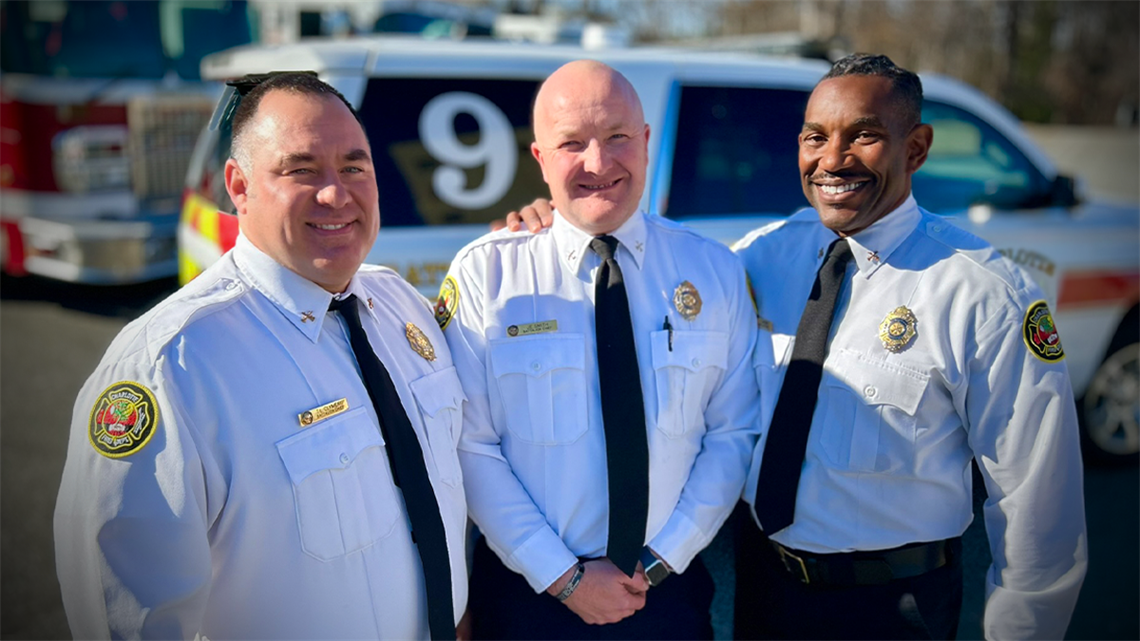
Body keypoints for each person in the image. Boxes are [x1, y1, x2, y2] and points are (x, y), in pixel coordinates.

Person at [505, 53, 1087, 641]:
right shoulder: (759, 258)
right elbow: (648, 292)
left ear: (915, 148)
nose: (833, 160)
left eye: (864, 136)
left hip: (892, 607)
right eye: (816, 137)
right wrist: (556, 227)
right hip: (764, 591)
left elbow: (1039, 508)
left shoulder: (982, 295)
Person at [54, 73, 469, 641]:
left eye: (354, 167)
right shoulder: (170, 366)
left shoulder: (399, 305)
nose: (336, 194)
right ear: (239, 186)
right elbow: (128, 618)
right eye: (301, 170)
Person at [438, 60, 761, 640]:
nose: (597, 163)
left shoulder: (712, 270)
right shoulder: (489, 274)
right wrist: (562, 577)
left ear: (644, 142)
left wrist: (665, 557)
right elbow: (471, 445)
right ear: (539, 159)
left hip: (665, 592)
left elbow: (732, 432)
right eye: (572, 144)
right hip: (528, 598)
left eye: (616, 138)